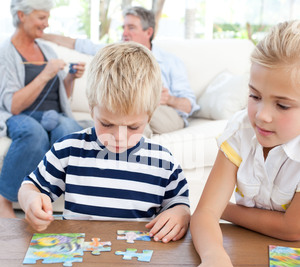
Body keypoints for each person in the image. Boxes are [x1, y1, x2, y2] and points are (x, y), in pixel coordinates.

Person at [178, 20, 300, 267]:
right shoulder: (241, 131)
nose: (261, 116)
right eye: (255, 96)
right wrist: (215, 257)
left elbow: (293, 229)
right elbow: (205, 213)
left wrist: (228, 211)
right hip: (249, 252)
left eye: (282, 105)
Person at [18, 41, 191, 244]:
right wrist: (31, 201)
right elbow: (31, 187)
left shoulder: (163, 161)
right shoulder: (69, 150)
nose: (118, 136)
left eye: (133, 127)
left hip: (137, 263)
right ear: (92, 110)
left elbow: (180, 202)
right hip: (78, 261)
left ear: (150, 116)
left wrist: (181, 214)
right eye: (107, 123)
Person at [42, 6, 199, 136]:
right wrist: (42, 35)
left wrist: (168, 99)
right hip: (128, 108)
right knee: (107, 122)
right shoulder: (116, 52)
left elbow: (188, 106)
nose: (125, 33)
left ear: (148, 32)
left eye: (131, 28)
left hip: (164, 112)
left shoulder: (171, 61)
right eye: (123, 27)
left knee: (134, 122)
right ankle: (71, 126)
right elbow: (83, 45)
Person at [0, 0, 85, 219]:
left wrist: (70, 78)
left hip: (54, 115)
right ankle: (4, 201)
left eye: (47, 17)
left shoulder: (46, 49)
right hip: (21, 116)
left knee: (69, 130)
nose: (46, 24)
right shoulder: (6, 53)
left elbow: (62, 98)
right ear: (21, 15)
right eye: (41, 17)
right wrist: (46, 73)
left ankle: (78, 204)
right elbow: (13, 105)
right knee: (33, 133)